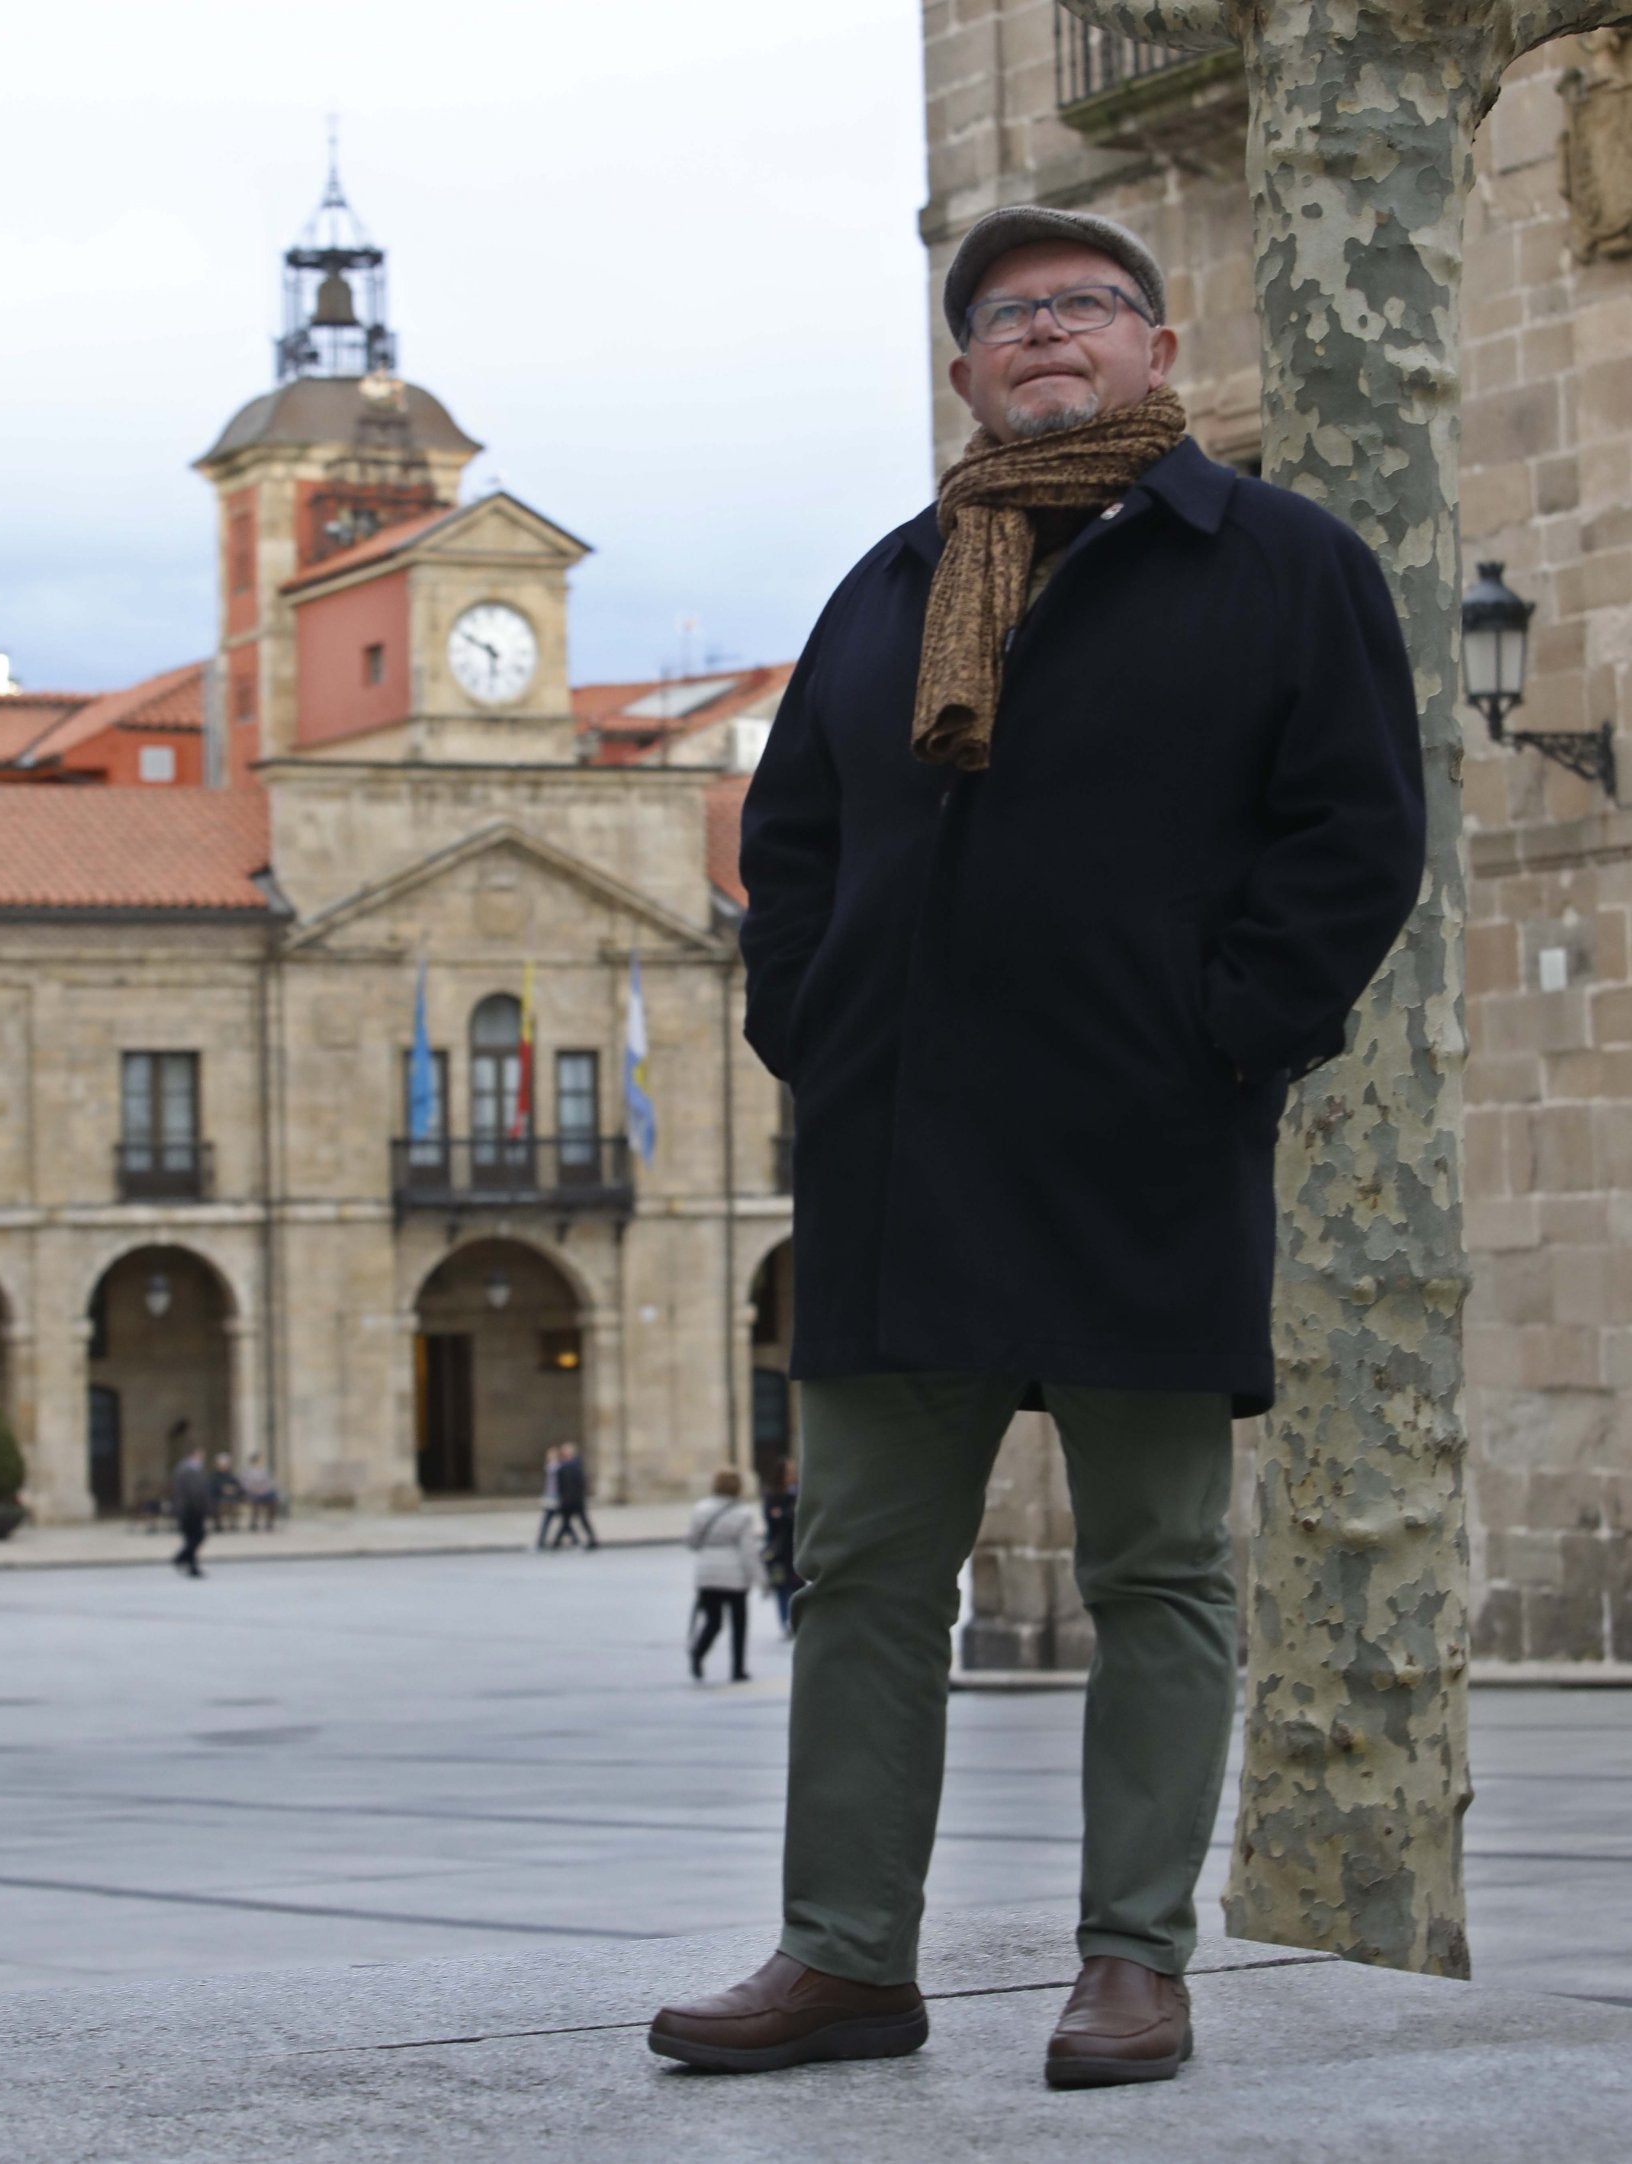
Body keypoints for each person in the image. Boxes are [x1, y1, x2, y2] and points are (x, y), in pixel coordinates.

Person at [647, 206, 1424, 2086]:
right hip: (901, 1160)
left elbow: (1353, 839)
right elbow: (799, 841)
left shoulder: (1282, 565)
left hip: (1142, 1142)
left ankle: (1134, 1959)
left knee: (1158, 1565)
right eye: (1007, 314)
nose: (1047, 331)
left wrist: (1220, 1044)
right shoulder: (892, 581)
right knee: (864, 1569)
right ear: (964, 370)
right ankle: (844, 1956)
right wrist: (816, 1041)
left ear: (1159, 350)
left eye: (1087, 303)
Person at [687, 1467, 765, 1683]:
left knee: (713, 1621)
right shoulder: (743, 1514)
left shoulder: (701, 1509)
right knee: (739, 1624)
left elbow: (692, 1542)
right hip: (734, 1575)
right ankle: (738, 1668)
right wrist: (761, 1580)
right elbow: (748, 1551)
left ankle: (698, 1652)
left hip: (707, 1573)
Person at [760, 1460, 802, 1635]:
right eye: (789, 1472)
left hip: (796, 1549)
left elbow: (796, 1517)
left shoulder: (798, 1493)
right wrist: (786, 1514)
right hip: (777, 1551)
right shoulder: (772, 1494)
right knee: (781, 1587)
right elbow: (772, 1518)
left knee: (797, 1586)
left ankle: (796, 1622)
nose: (792, 1475)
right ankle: (785, 1623)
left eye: (793, 1471)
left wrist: (782, 1514)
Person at [171, 1433, 211, 1580]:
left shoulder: (194, 1469)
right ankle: (181, 1558)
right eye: (200, 1454)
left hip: (194, 1509)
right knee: (196, 1536)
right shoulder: (186, 1470)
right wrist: (199, 1507)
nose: (202, 1457)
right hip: (190, 1510)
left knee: (194, 1538)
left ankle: (192, 1566)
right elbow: (192, 1492)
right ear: (193, 1455)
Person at [551, 1441, 598, 1550]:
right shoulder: (564, 1466)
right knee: (567, 1521)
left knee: (575, 1521)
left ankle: (557, 1543)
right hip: (569, 1499)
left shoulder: (574, 1466)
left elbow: (580, 1483)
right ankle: (557, 1542)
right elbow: (560, 1485)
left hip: (574, 1499)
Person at [533, 1446, 563, 1550]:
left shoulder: (557, 1467)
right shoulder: (551, 1467)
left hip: (555, 1498)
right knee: (562, 1521)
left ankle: (541, 1542)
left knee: (557, 1521)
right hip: (550, 1497)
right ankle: (542, 1542)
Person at [208, 1451, 244, 1533]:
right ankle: (218, 1525)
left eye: (225, 1463)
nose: (223, 1465)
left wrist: (233, 1489)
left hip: (231, 1497)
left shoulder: (231, 1475)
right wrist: (222, 1489)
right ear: (217, 1465)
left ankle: (233, 1524)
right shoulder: (213, 1476)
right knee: (221, 1504)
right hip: (218, 1498)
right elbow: (210, 1488)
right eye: (221, 1463)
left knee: (233, 1503)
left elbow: (239, 1487)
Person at [242, 1453, 280, 1531]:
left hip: (265, 1492)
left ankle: (269, 1523)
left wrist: (264, 1489)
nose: (262, 1461)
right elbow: (245, 1483)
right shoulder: (247, 1472)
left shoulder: (265, 1471)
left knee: (272, 1500)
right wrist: (254, 1489)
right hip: (253, 1493)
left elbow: (270, 1482)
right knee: (255, 1501)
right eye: (260, 1460)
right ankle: (254, 1523)